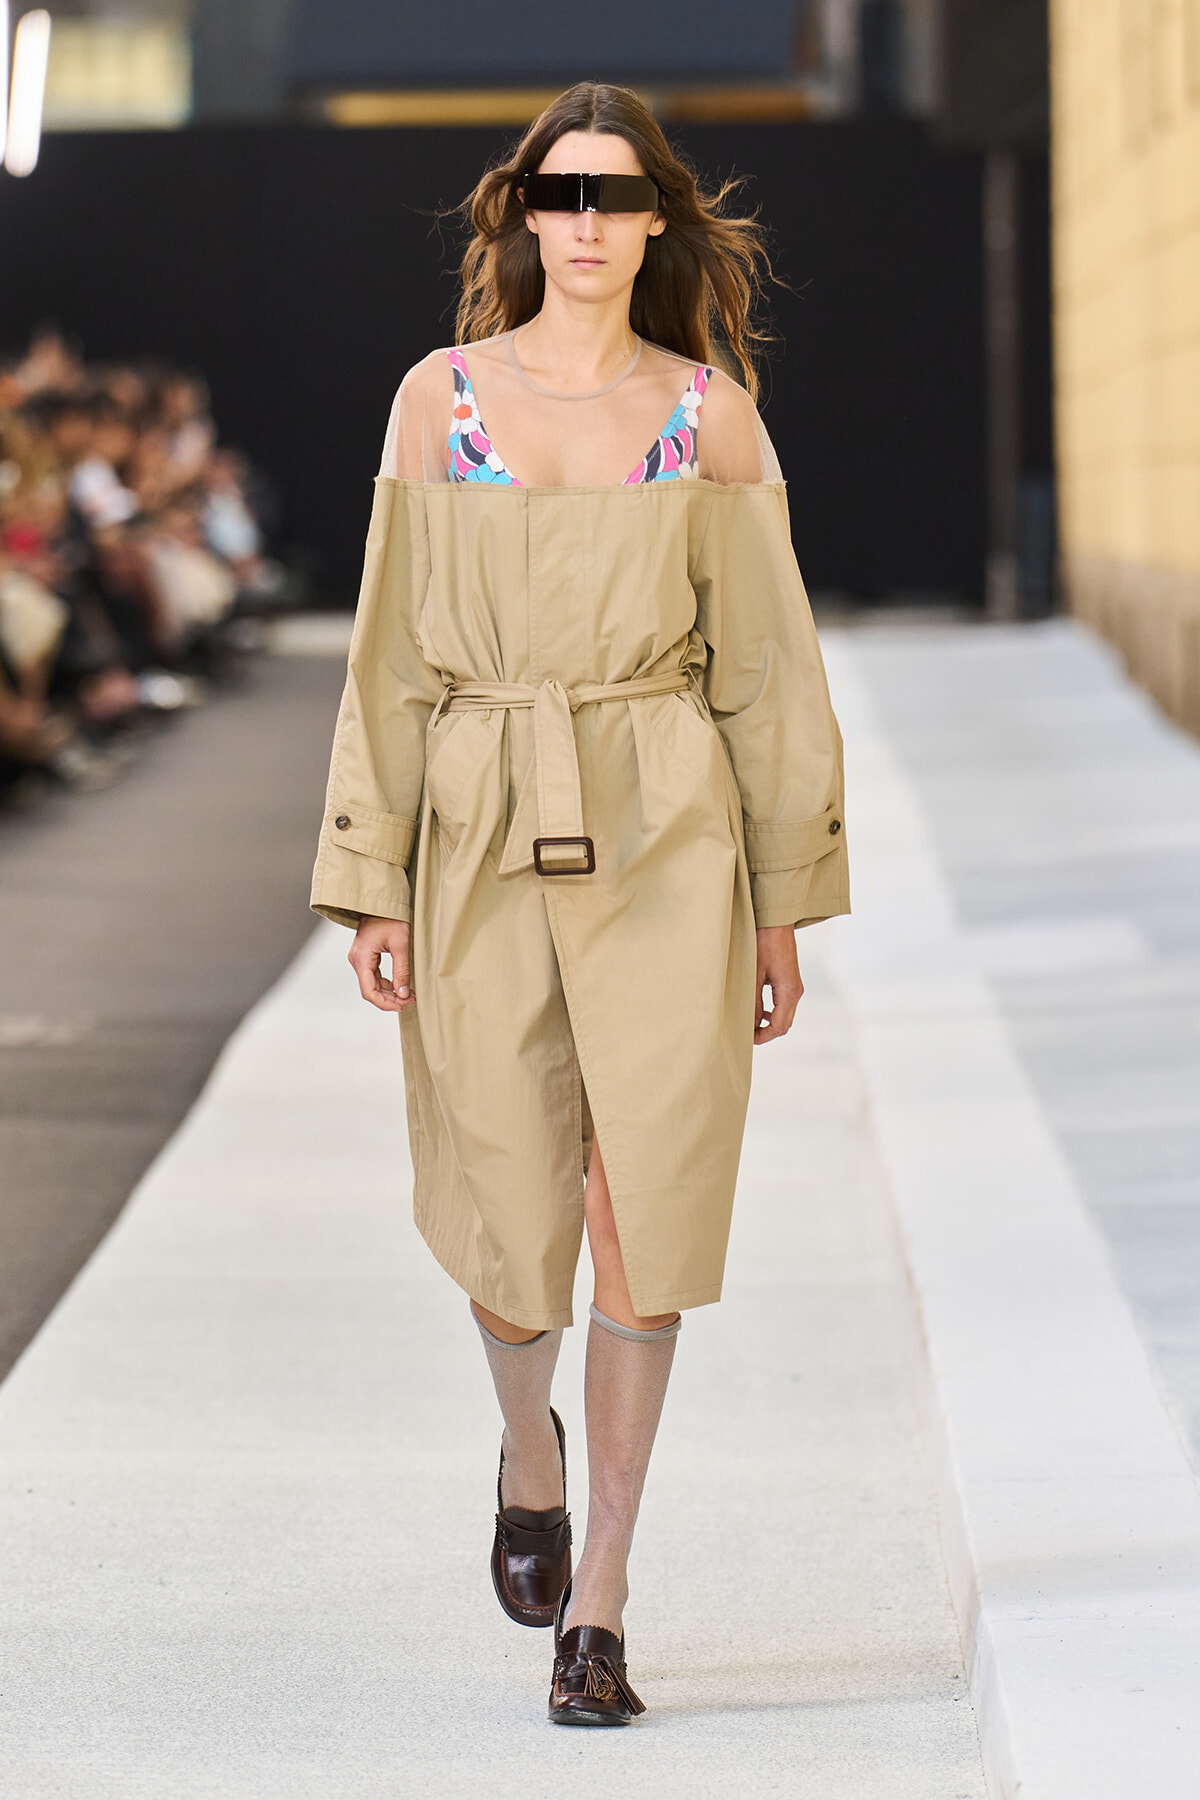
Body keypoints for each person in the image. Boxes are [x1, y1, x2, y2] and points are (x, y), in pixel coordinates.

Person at [310, 82, 849, 1726]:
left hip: (668, 823)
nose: (595, 220)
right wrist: (367, 876)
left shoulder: (712, 420)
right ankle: (524, 1444)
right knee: (503, 1206)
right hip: (477, 815)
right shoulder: (439, 403)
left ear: (662, 218)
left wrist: (780, 902)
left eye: (623, 193)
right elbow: (390, 653)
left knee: (647, 1200)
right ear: (523, 213)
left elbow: (765, 674)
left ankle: (600, 1604)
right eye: (565, 191)